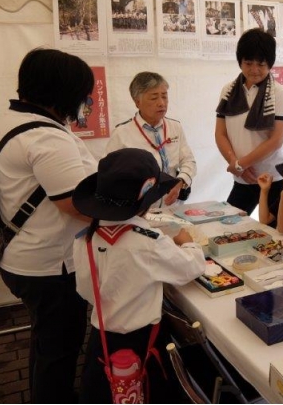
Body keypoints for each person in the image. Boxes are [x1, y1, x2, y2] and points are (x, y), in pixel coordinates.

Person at [0, 48, 97, 403]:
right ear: (63, 91)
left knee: (47, 343)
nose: (86, 101)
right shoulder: (47, 137)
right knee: (60, 350)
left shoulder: (15, 123)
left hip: (24, 257)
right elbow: (77, 203)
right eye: (83, 91)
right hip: (48, 267)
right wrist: (136, 211)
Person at [73, 148, 205, 403]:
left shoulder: (85, 240)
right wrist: (188, 243)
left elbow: (84, 290)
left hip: (101, 340)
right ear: (145, 203)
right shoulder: (149, 242)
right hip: (145, 341)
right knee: (152, 392)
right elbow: (191, 268)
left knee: (106, 393)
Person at [215, 28, 283, 215]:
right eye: (248, 63)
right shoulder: (228, 91)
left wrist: (241, 165)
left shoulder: (278, 93)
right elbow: (220, 133)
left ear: (270, 64)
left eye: (261, 64)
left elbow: (276, 140)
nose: (254, 70)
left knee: (275, 234)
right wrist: (235, 164)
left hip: (272, 178)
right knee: (230, 227)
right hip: (242, 178)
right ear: (240, 61)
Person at [106, 72, 195, 207]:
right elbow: (109, 175)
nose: (161, 103)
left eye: (164, 97)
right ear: (137, 102)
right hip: (139, 209)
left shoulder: (175, 127)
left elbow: (188, 160)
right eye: (154, 98)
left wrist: (181, 181)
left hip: (172, 205)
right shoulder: (121, 133)